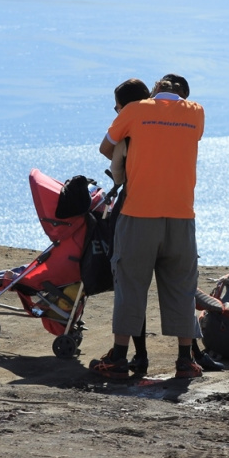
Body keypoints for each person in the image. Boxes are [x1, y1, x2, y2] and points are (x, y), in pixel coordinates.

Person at [89, 74, 206, 379]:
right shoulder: (196, 113)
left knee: (130, 284)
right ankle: (184, 361)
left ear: (154, 91)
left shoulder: (135, 110)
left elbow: (106, 147)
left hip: (139, 211)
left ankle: (118, 357)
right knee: (182, 285)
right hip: (181, 213)